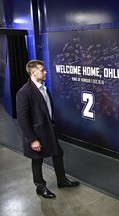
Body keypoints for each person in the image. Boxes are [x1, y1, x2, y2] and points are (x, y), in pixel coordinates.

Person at [16, 60, 79, 199]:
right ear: (33, 73)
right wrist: (32, 140)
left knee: (58, 154)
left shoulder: (43, 88)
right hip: (37, 134)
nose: (45, 72)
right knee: (37, 160)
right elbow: (23, 119)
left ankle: (62, 181)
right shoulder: (24, 92)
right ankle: (40, 187)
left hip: (49, 131)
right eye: (42, 70)